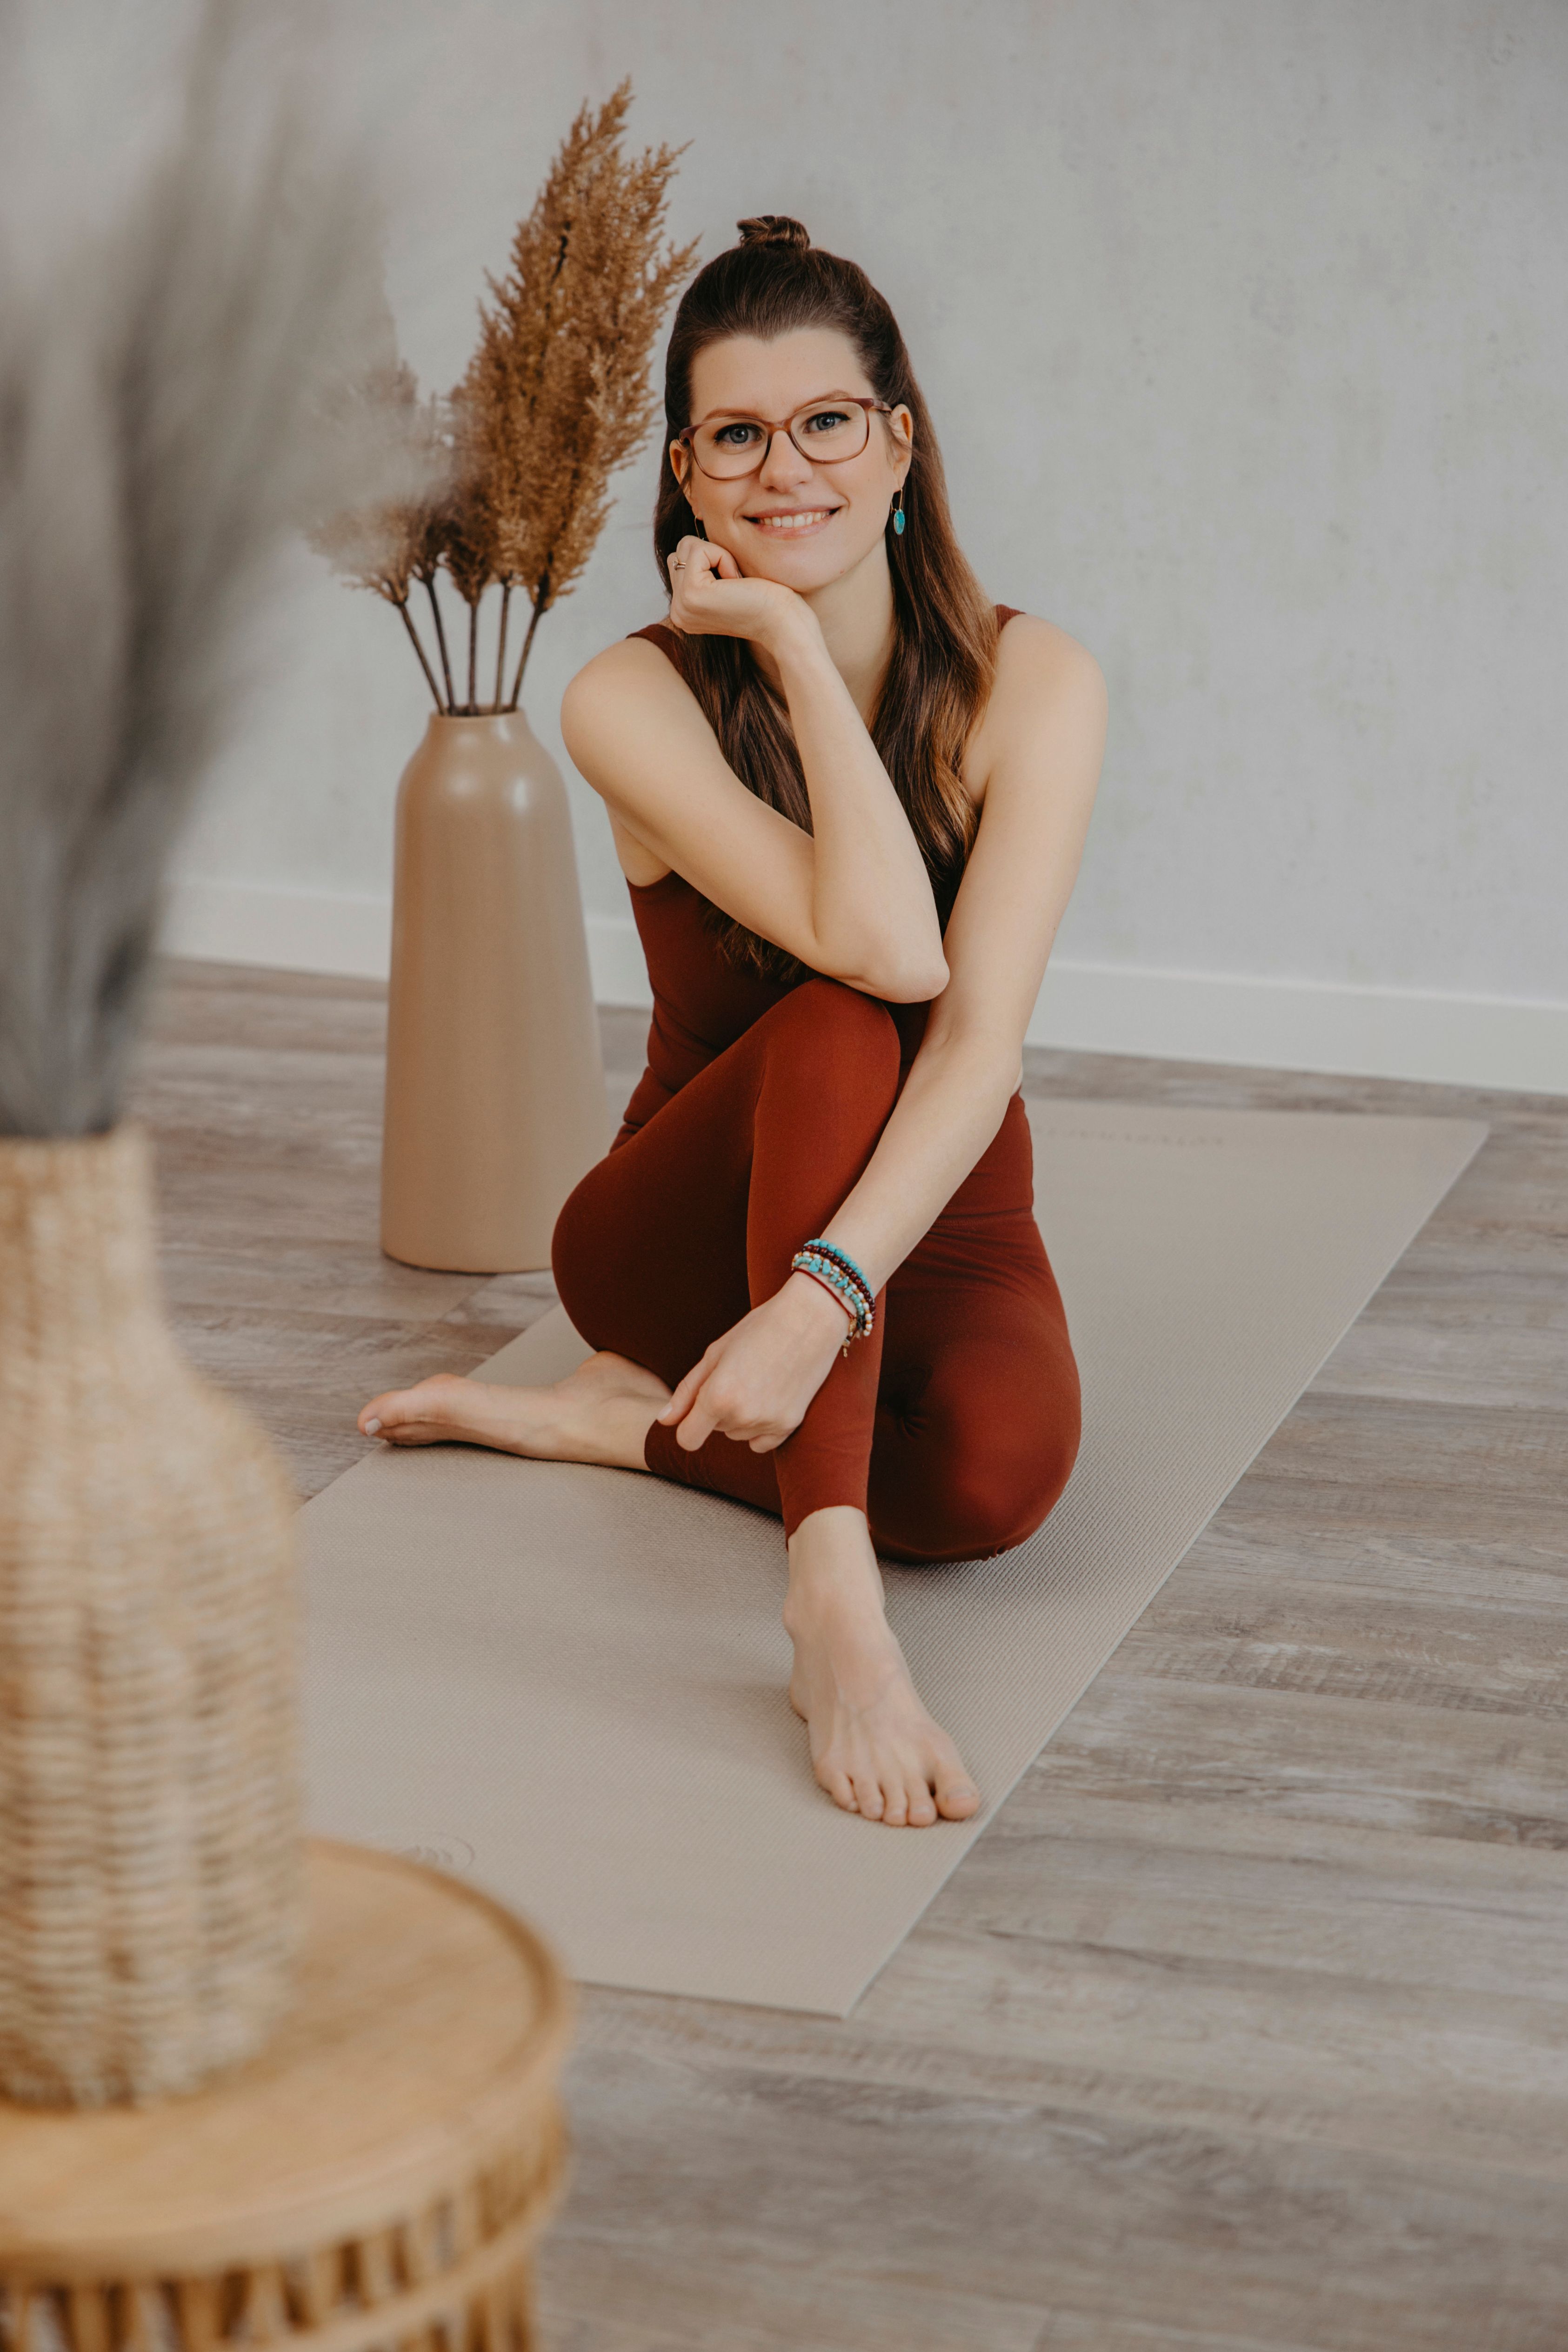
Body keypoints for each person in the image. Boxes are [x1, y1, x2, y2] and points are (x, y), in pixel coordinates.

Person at [359, 214, 1108, 1830]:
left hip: (933, 1194)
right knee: (837, 1019)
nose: (789, 469)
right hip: (676, 1231)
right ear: (686, 480)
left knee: (992, 1479)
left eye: (827, 422)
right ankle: (831, 1612)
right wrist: (775, 637)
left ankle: (620, 1426)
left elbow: (972, 1046)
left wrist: (827, 1294)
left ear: (897, 441)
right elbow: (886, 954)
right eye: (737, 437)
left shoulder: (1034, 685)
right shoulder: (624, 699)